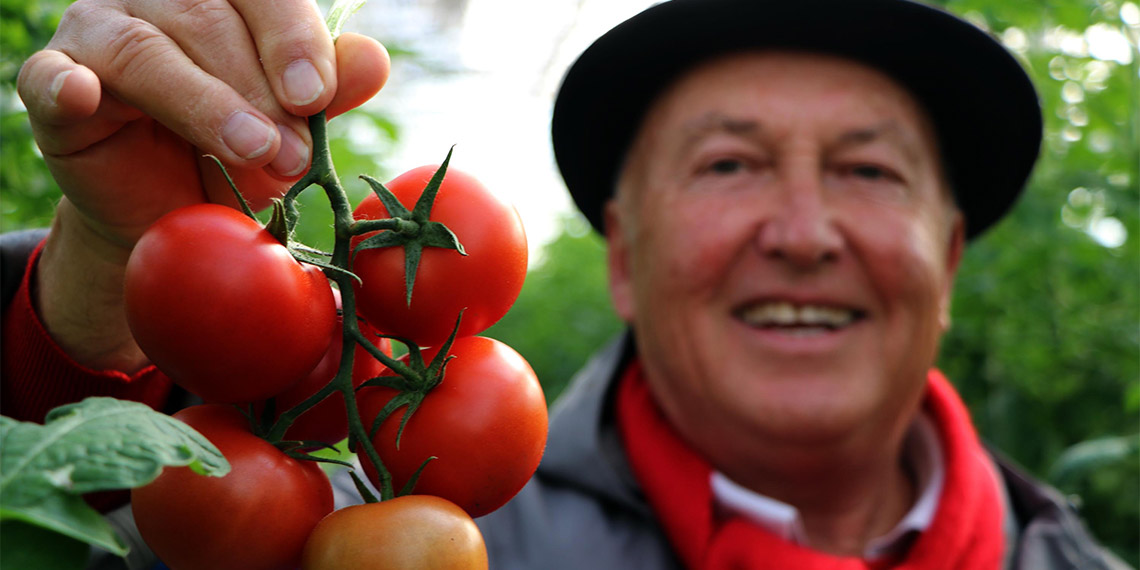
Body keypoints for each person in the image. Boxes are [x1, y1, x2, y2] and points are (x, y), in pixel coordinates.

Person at [0, 1, 1127, 570]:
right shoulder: (385, 539)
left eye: (870, 170)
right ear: (625, 257)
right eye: (728, 165)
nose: (802, 232)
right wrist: (111, 296)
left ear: (952, 257)